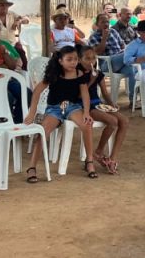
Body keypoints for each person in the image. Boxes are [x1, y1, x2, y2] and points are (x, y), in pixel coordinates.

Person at [25, 45, 99, 179]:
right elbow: (36, 92)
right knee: (43, 132)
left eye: (75, 59)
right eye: (69, 60)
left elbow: (85, 94)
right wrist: (31, 114)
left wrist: (86, 113)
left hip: (72, 107)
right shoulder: (54, 74)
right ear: (60, 61)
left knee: (87, 124)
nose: (73, 62)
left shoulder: (79, 73)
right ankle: (32, 167)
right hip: (54, 108)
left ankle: (89, 161)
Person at [80, 45, 127, 174]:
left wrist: (112, 104)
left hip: (97, 104)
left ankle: (113, 158)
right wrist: (91, 80)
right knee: (112, 121)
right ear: (80, 59)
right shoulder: (78, 74)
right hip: (85, 106)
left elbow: (105, 93)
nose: (91, 61)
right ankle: (99, 151)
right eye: (87, 58)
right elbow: (79, 95)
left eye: (93, 58)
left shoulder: (97, 73)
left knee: (124, 121)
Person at [88, 12, 136, 98]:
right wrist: (104, 38)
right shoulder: (93, 36)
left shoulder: (113, 31)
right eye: (103, 22)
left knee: (131, 71)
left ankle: (132, 99)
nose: (106, 24)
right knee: (129, 53)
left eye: (107, 21)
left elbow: (123, 45)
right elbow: (97, 52)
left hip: (121, 61)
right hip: (107, 64)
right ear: (97, 24)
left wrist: (124, 49)